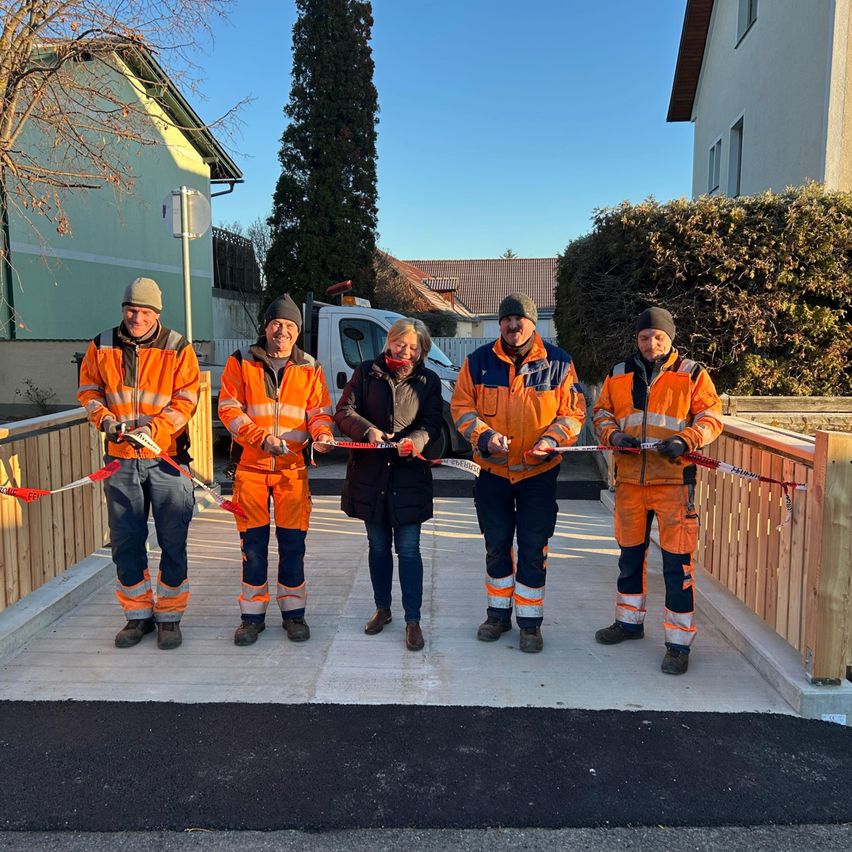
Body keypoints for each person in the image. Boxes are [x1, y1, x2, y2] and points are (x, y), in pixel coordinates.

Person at [450, 293, 586, 653]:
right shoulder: (478, 362)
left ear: (533, 323)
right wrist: (484, 436)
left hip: (538, 474)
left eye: (520, 320)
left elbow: (572, 414)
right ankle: (497, 616)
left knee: (532, 548)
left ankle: (530, 624)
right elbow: (462, 408)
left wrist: (551, 441)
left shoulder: (558, 363)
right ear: (500, 325)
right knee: (496, 546)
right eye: (507, 320)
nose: (513, 326)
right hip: (492, 473)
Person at [592, 306, 723, 675]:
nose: (651, 343)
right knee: (629, 559)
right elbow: (600, 413)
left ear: (671, 338)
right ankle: (629, 624)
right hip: (631, 483)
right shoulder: (618, 374)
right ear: (637, 339)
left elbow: (712, 418)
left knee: (676, 566)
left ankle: (678, 645)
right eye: (645, 337)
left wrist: (686, 440)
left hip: (674, 484)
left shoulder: (693, 374)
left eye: (659, 337)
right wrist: (613, 435)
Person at [77, 277, 200, 650]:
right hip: (120, 461)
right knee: (126, 541)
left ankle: (170, 617)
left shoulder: (178, 347)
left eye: (144, 311)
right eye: (131, 309)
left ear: (156, 313)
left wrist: (153, 429)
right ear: (123, 309)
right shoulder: (102, 344)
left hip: (165, 460)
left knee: (172, 540)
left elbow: (186, 401)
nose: (136, 317)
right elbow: (88, 391)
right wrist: (105, 421)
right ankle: (137, 615)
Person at [218, 293, 334, 646]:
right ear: (265, 327)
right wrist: (261, 438)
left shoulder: (310, 367)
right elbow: (229, 410)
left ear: (297, 332)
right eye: (276, 323)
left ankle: (294, 615)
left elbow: (319, 412)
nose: (282, 330)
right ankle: (251, 618)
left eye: (289, 325)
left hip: (292, 472)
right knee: (252, 546)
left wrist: (323, 434)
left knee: (292, 544)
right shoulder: (240, 362)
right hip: (251, 470)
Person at [335, 318, 443, 652]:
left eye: (414, 347)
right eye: (401, 344)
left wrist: (416, 441)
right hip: (370, 479)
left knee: (409, 550)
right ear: (389, 342)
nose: (406, 351)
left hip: (409, 479)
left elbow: (432, 423)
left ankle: (413, 620)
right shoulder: (366, 373)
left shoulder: (429, 380)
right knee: (378, 547)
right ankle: (383, 608)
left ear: (422, 349)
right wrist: (367, 430)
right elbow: (343, 412)